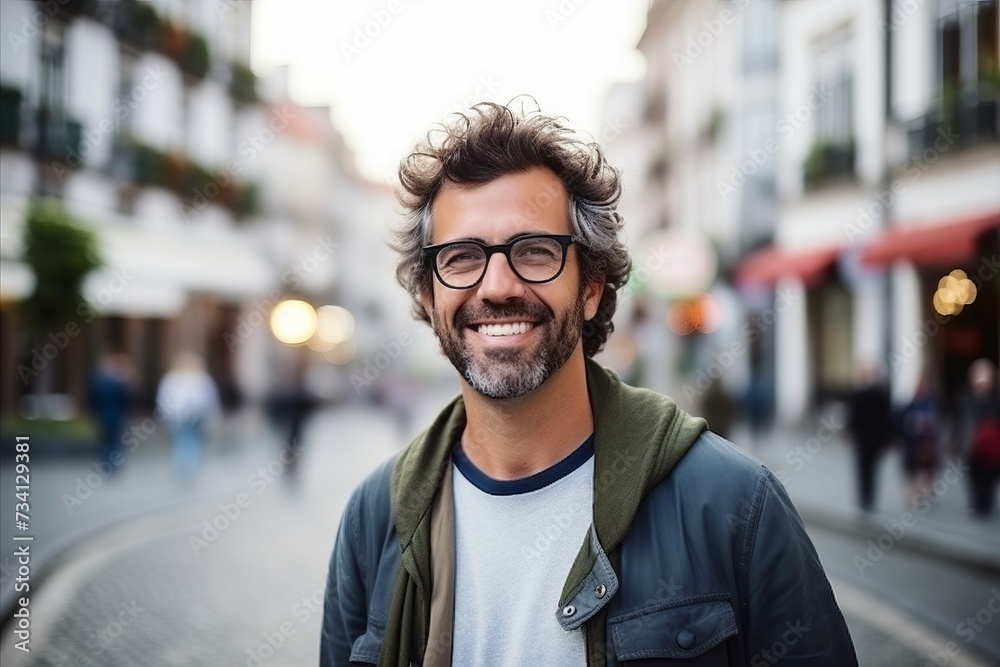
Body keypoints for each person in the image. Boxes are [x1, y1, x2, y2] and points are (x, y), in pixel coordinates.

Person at [320, 102, 857, 666]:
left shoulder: (733, 503)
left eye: (534, 252)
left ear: (592, 287)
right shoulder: (373, 518)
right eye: (461, 258)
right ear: (429, 297)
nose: (497, 285)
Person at [156, 352, 220, 479]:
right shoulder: (202, 378)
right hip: (191, 416)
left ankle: (183, 466)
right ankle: (189, 466)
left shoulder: (172, 378)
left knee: (181, 440)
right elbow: (210, 400)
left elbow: (163, 398)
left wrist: (166, 414)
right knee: (191, 440)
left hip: (182, 416)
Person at [846, 361, 893, 512]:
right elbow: (853, 417)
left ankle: (868, 498)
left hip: (872, 439)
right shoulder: (859, 394)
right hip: (864, 439)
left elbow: (885, 418)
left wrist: (887, 438)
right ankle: (865, 498)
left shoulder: (878, 395)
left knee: (870, 468)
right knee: (864, 468)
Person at [957, 358, 1000, 517]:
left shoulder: (995, 396)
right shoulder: (966, 395)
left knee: (988, 476)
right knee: (973, 475)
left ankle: (986, 505)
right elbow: (961, 418)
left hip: (990, 445)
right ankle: (976, 504)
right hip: (971, 443)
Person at [87, 352, 134, 474]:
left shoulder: (98, 381)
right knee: (115, 441)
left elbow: (93, 399)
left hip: (102, 415)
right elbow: (127, 400)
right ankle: (113, 464)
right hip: (117, 416)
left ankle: (105, 463)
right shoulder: (119, 383)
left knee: (105, 440)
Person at [899, 374, 941, 506]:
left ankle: (924, 495)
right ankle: (912, 497)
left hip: (926, 443)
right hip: (912, 443)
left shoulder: (931, 403)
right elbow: (902, 420)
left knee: (926, 472)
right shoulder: (912, 402)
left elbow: (935, 423)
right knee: (911, 473)